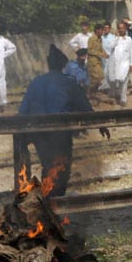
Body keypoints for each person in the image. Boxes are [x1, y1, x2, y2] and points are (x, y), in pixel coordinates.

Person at [15, 44, 94, 197]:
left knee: (48, 165)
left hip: (39, 133)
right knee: (61, 168)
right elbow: (84, 105)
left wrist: (22, 132)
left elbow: (23, 109)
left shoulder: (36, 82)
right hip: (61, 133)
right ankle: (55, 202)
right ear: (63, 65)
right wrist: (100, 124)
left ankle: (47, 201)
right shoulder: (69, 82)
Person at [106, 21, 132, 107]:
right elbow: (110, 47)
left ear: (125, 28)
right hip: (115, 65)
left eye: (122, 28)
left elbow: (131, 52)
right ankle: (116, 95)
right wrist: (116, 38)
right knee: (114, 81)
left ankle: (123, 99)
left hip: (125, 64)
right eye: (119, 28)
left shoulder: (129, 39)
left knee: (124, 82)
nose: (121, 29)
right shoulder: (114, 38)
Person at [86, 23, 108, 97]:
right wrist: (100, 54)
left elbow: (101, 48)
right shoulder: (92, 39)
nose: (103, 32)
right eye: (101, 30)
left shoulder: (100, 39)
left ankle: (93, 93)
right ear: (97, 30)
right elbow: (89, 50)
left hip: (98, 61)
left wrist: (104, 53)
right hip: (92, 62)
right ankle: (89, 93)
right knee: (94, 79)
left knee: (101, 77)